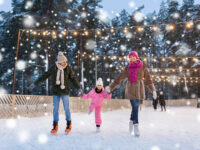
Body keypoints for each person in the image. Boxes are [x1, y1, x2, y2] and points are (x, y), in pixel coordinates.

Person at [105, 51, 157, 137]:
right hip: (131, 89)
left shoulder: (143, 66)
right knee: (135, 106)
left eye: (133, 56)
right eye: (130, 57)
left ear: (137, 57)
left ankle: (131, 121)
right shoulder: (127, 68)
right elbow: (119, 78)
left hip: (140, 89)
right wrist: (111, 87)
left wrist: (153, 90)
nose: (132, 58)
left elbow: (148, 79)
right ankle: (136, 126)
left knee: (135, 108)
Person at [29, 52, 81, 134]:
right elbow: (45, 75)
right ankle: (55, 125)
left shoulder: (68, 68)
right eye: (63, 61)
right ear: (59, 62)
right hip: (56, 92)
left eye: (65, 61)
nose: (64, 63)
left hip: (65, 92)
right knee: (55, 109)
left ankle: (68, 124)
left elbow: (73, 79)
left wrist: (78, 88)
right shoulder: (54, 68)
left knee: (66, 108)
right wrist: (35, 83)